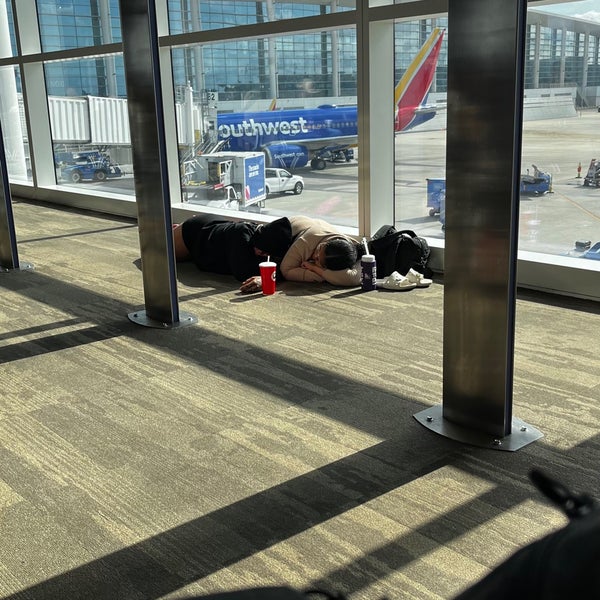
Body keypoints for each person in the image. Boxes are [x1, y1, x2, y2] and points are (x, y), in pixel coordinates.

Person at [240, 215, 364, 292]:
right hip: (276, 235)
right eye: (318, 251)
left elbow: (352, 278)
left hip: (300, 232)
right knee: (245, 268)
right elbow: (286, 270)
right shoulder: (307, 241)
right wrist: (327, 276)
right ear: (325, 243)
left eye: (317, 261)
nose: (314, 257)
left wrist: (315, 269)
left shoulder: (350, 247)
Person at [173, 214, 293, 286]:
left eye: (265, 254)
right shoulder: (241, 235)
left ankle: (174, 229)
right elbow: (242, 272)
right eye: (260, 249)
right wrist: (270, 277)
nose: (259, 254)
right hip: (197, 232)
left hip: (213, 227)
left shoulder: (263, 237)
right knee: (159, 252)